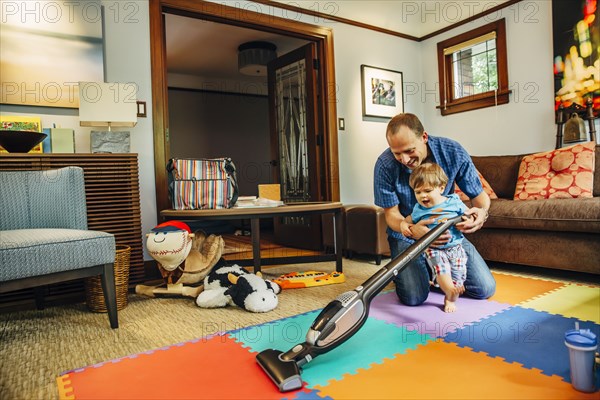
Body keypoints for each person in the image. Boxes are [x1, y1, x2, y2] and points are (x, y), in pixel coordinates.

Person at [374, 113, 496, 306]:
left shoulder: (453, 151)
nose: (404, 159)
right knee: (414, 298)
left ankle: (434, 271)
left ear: (424, 137)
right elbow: (391, 215)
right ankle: (427, 272)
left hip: (448, 237)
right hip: (407, 235)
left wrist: (481, 213)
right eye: (397, 153)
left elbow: (480, 199)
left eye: (409, 150)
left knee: (485, 289)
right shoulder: (385, 165)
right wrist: (413, 231)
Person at [401, 162, 470, 313]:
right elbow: (408, 220)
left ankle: (450, 296)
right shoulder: (419, 209)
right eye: (418, 192)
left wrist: (469, 221)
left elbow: (468, 214)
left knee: (458, 275)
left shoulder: (454, 202)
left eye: (427, 190)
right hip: (433, 248)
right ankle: (450, 293)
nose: (422, 196)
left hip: (456, 247)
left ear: (441, 188)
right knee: (442, 269)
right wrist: (404, 226)